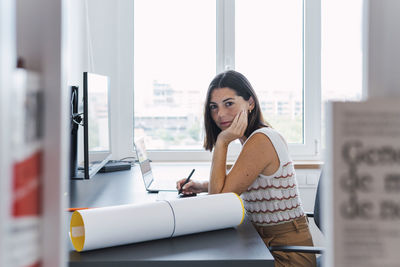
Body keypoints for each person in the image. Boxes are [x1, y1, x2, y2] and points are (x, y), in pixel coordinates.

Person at [177, 70, 316, 267]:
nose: (220, 114)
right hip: (265, 246)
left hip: (287, 256)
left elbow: (217, 203)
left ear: (250, 103)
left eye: (229, 103)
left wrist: (222, 142)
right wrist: (200, 186)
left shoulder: (261, 140)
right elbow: (241, 183)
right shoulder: (253, 139)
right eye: (214, 107)